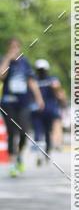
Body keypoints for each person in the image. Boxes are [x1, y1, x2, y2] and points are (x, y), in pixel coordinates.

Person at [0, 38, 45, 177]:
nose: (14, 49)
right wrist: (8, 58)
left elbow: (31, 81)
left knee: (23, 131)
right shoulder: (4, 60)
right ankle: (13, 162)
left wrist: (39, 98)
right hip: (8, 102)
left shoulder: (24, 63)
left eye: (16, 47)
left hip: (24, 103)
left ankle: (19, 155)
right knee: (11, 133)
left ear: (20, 48)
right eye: (11, 47)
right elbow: (1, 76)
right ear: (8, 48)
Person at [30, 59, 67, 165]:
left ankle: (46, 153)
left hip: (48, 110)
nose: (41, 71)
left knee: (46, 133)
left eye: (42, 69)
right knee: (38, 132)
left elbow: (59, 92)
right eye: (40, 70)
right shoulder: (34, 80)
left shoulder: (52, 79)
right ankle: (39, 154)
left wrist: (57, 90)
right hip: (38, 110)